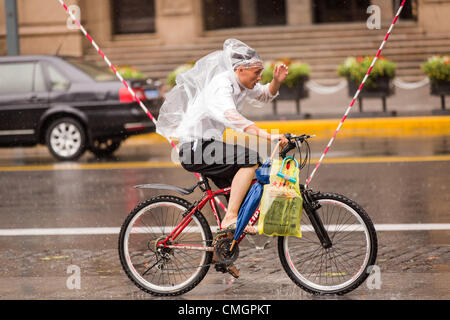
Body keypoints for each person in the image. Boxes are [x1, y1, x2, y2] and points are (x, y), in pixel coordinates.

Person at [156, 39, 288, 277]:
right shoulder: (222, 84)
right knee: (250, 159)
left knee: (241, 192)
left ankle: (222, 251)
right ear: (240, 69)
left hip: (209, 146)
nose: (259, 77)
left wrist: (276, 82)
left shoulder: (242, 83)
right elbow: (231, 116)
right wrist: (269, 136)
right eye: (256, 72)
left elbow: (265, 95)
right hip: (195, 147)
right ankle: (230, 217)